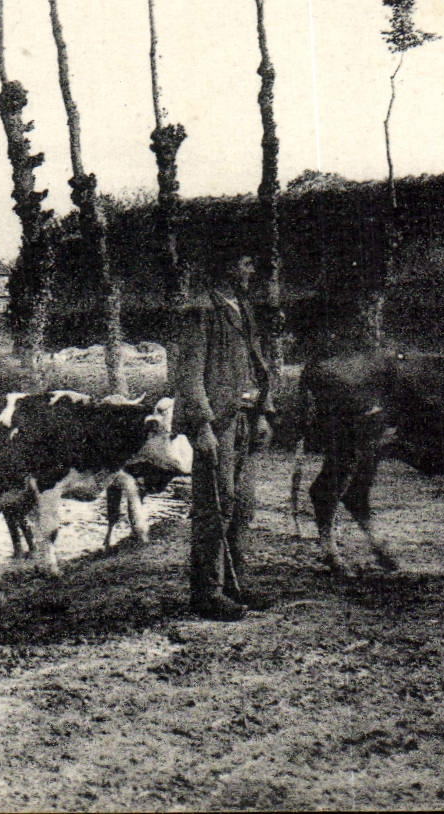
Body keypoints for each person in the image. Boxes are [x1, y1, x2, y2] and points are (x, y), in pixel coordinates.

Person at [169, 250, 277, 620]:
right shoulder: (201, 310)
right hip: (218, 424)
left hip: (246, 418)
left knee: (242, 504)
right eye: (244, 261)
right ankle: (207, 593)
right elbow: (189, 374)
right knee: (215, 505)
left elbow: (258, 367)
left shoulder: (243, 308)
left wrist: (263, 413)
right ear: (225, 265)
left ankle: (236, 584)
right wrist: (200, 425)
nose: (251, 268)